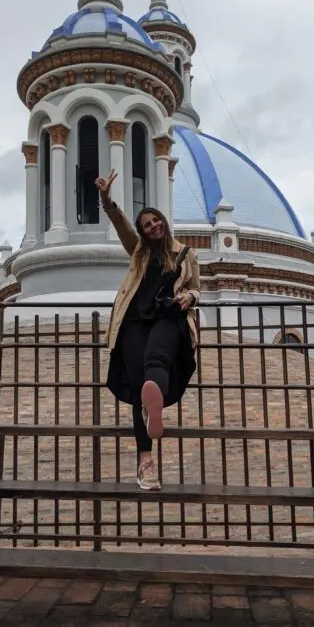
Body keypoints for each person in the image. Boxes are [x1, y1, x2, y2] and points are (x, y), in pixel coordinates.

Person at [95, 169, 201, 491]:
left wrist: (188, 297)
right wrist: (106, 200)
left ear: (164, 222)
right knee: (140, 383)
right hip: (133, 322)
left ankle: (154, 398)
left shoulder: (185, 254)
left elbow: (197, 288)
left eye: (156, 221)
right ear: (143, 232)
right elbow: (122, 226)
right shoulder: (139, 251)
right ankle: (146, 461)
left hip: (168, 318)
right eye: (147, 225)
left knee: (155, 362)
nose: (153, 227)